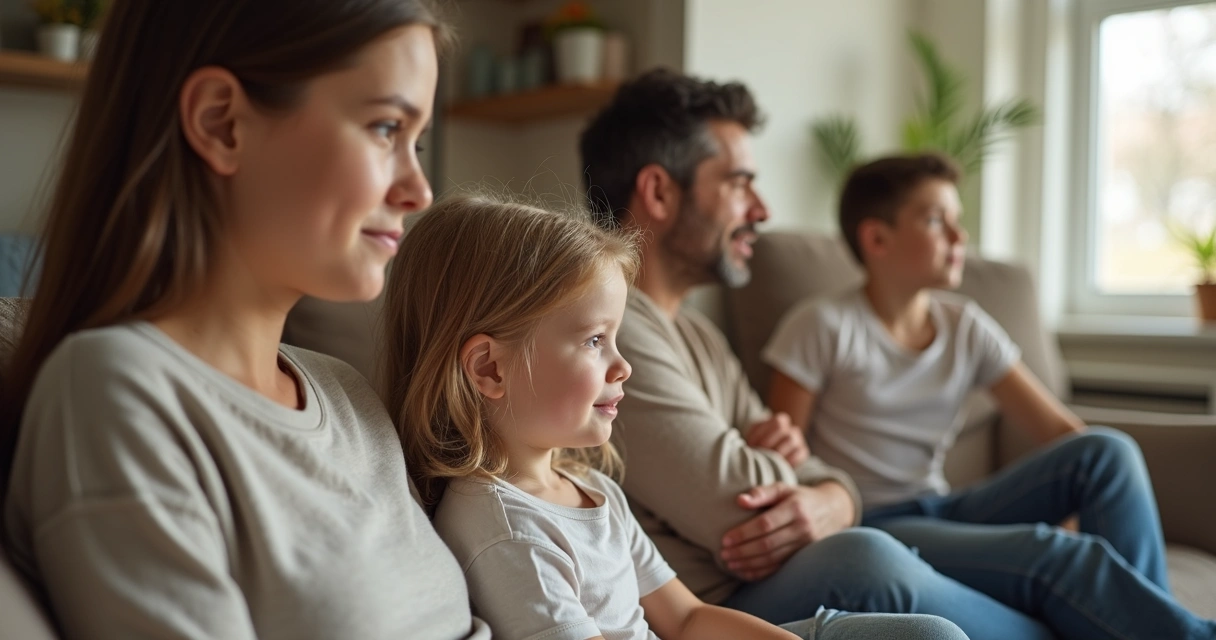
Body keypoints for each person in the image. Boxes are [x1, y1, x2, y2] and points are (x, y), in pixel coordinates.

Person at [578, 67, 1216, 640]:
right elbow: (740, 510)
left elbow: (804, 466)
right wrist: (823, 489)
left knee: (1096, 471)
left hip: (852, 536)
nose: (763, 210)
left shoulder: (699, 336)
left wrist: (831, 494)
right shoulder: (615, 329)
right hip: (723, 603)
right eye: (740, 183)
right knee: (869, 556)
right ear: (659, 192)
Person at [0, 2, 489, 638]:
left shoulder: (348, 394)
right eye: (385, 128)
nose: (419, 190)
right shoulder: (117, 391)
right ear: (221, 123)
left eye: (416, 142)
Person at [380, 193, 970, 640]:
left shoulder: (592, 489)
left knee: (931, 635)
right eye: (594, 341)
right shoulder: (506, 532)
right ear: (490, 369)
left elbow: (686, 618)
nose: (623, 366)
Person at [763, 152, 1216, 639]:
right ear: (876, 238)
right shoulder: (821, 325)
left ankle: (1148, 620)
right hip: (872, 523)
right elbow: (784, 458)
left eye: (957, 220)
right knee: (1058, 556)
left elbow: (1061, 433)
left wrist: (1069, 512)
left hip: (942, 507)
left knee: (1106, 452)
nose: (960, 237)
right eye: (936, 221)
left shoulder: (964, 325)